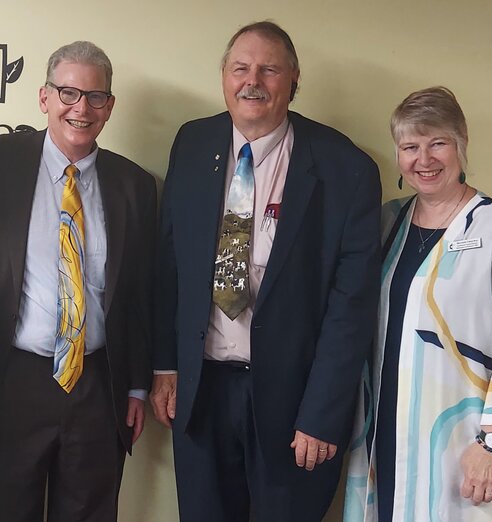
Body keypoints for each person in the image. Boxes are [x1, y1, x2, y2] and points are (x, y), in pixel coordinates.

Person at [151, 21, 382, 522]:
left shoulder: (347, 169)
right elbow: (170, 265)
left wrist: (323, 413)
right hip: (203, 394)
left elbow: (352, 307)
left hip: (295, 405)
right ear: (224, 78)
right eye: (240, 68)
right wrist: (166, 365)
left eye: (269, 69)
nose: (252, 80)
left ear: (293, 80)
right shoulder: (192, 144)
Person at [0, 40, 156, 522]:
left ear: (110, 106)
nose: (80, 108)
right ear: (44, 97)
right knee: (1, 510)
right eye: (67, 93)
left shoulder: (135, 186)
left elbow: (143, 294)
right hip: (10, 381)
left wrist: (136, 388)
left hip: (97, 384)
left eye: (95, 97)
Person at [344, 86, 492, 521]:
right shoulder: (389, 222)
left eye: (437, 143)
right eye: (410, 146)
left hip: (465, 441)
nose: (424, 160)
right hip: (385, 432)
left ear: (461, 142)